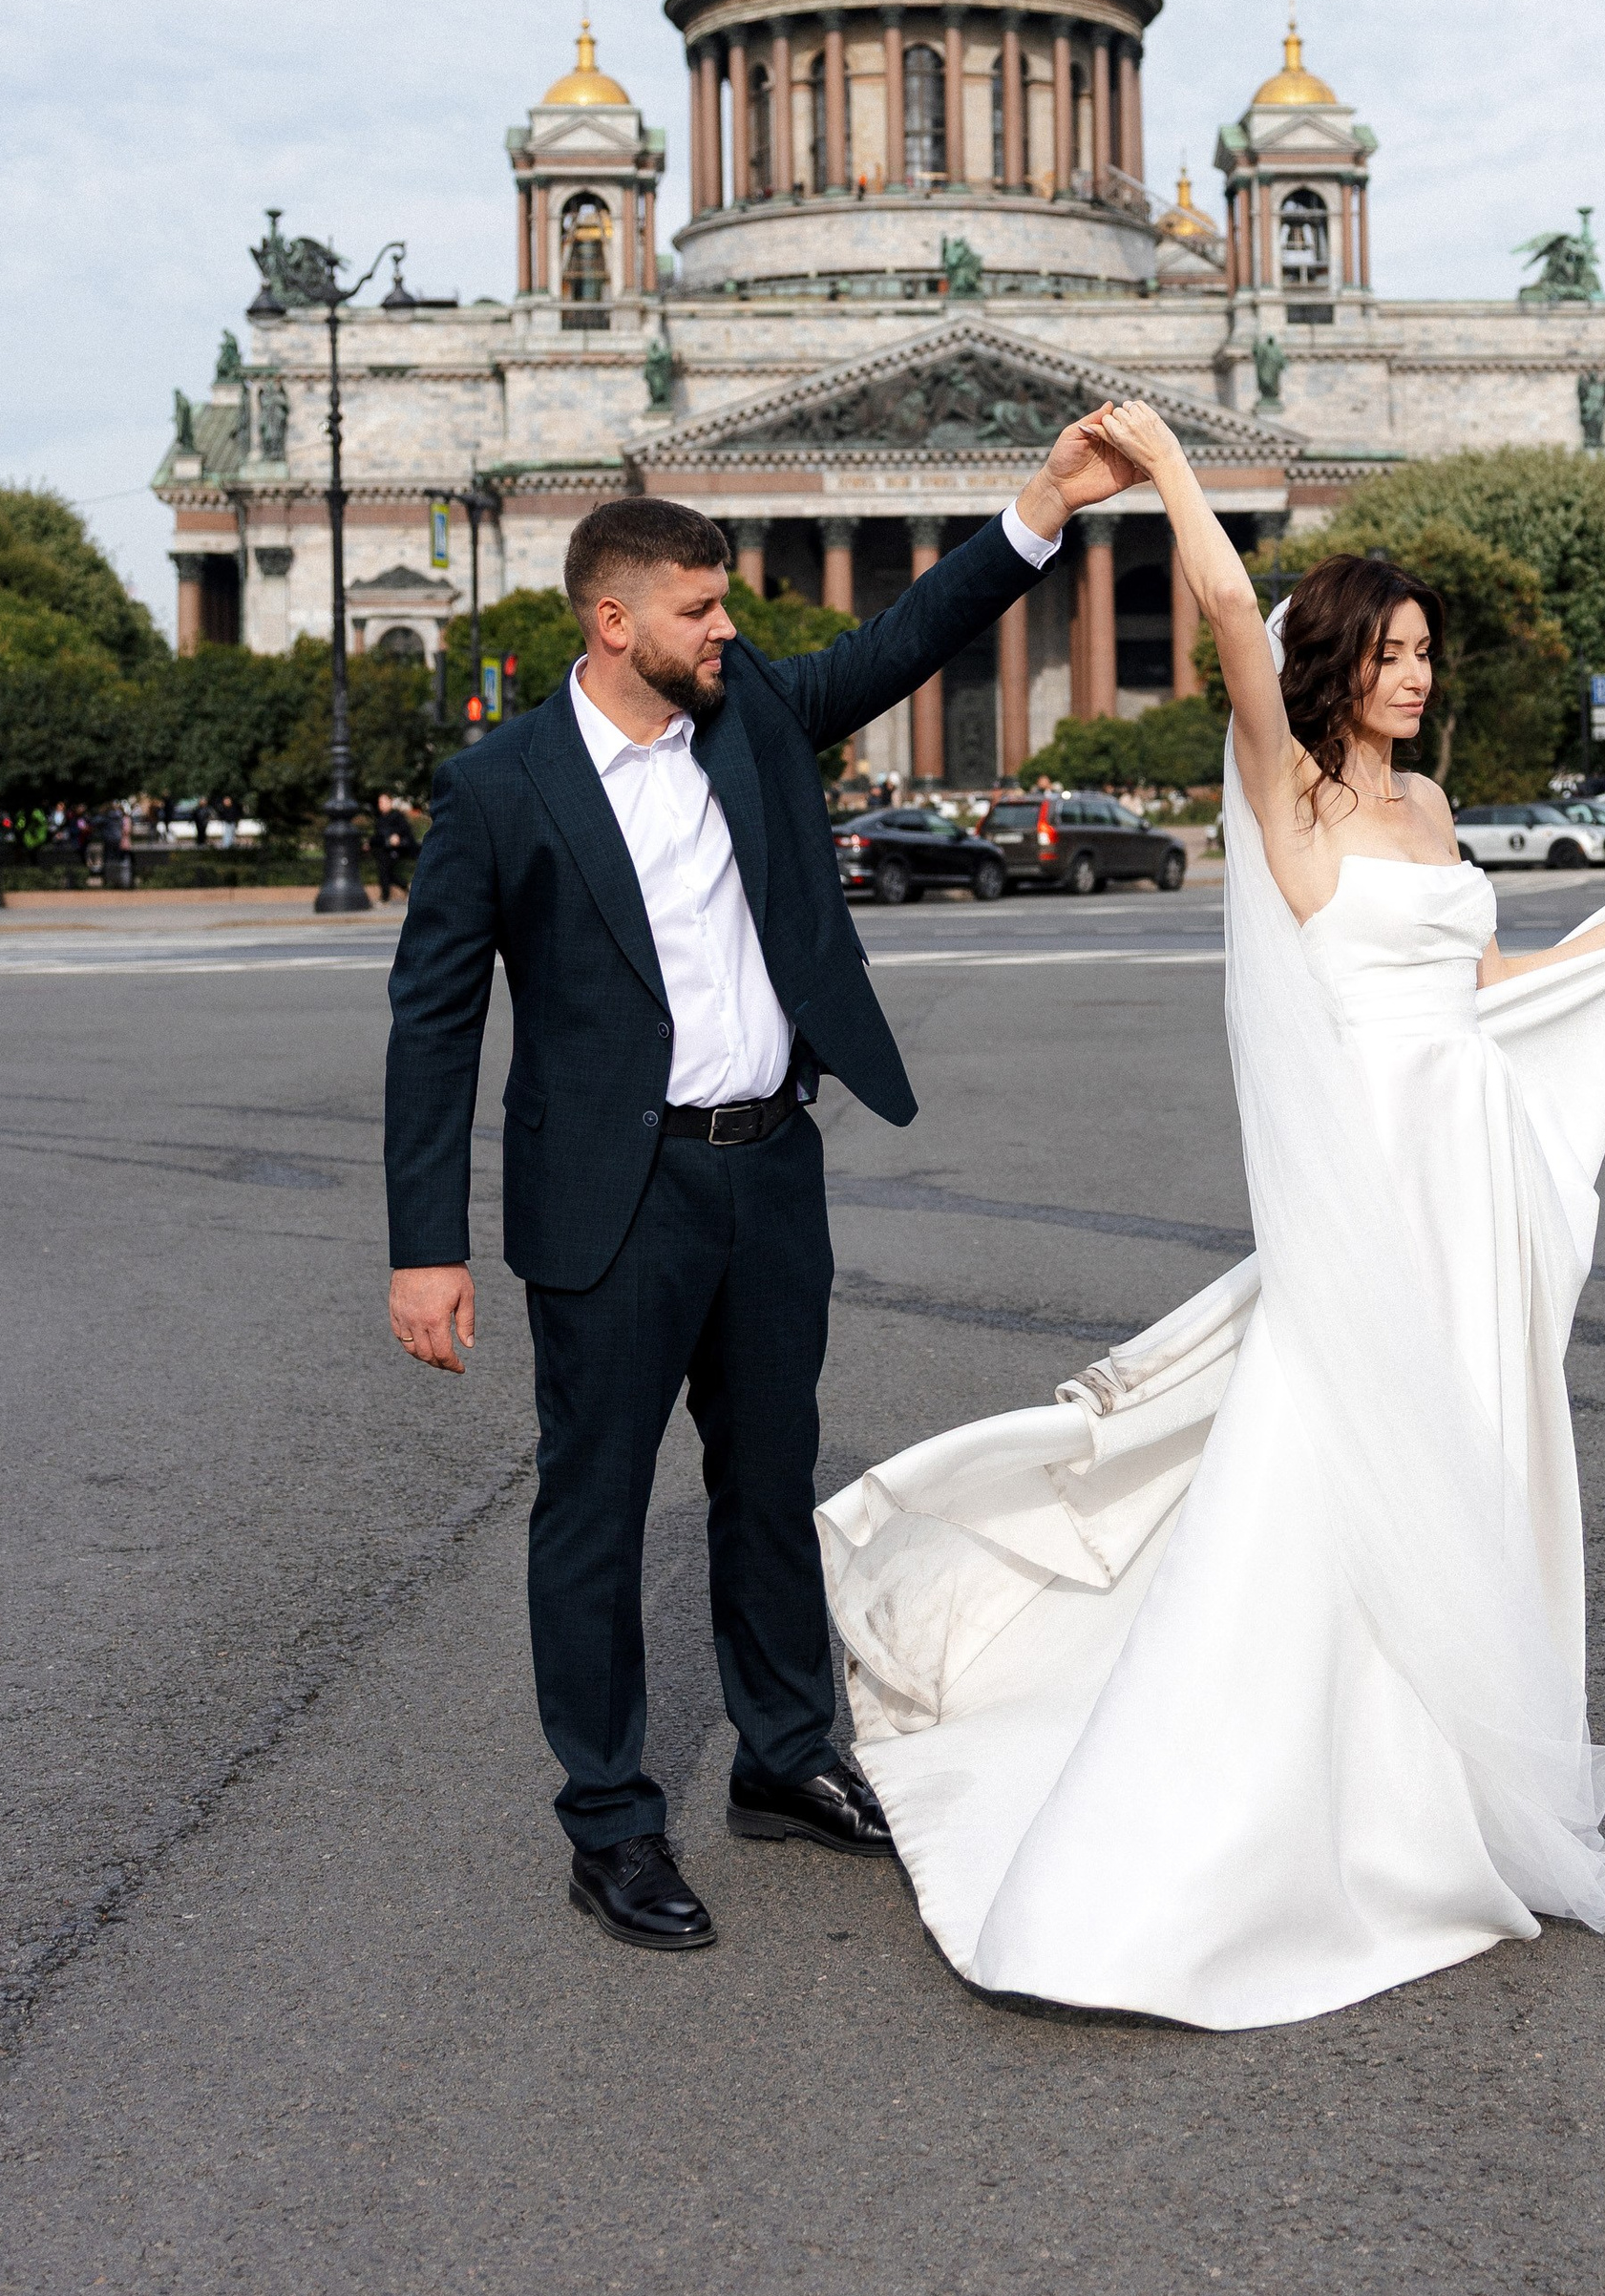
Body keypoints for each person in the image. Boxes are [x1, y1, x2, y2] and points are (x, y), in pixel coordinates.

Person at [819, 397, 1605, 2031]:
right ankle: (1240, 1834)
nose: (1419, 675)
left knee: (1470, 1463)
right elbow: (1221, 607)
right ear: (1334, 662)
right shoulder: (1288, 800)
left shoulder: (1423, 815)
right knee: (1323, 1478)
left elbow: (1456, 975)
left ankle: (1441, 1787)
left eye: (1430, 651)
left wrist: (1596, 948)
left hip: (1464, 1176)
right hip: (1369, 1186)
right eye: (1395, 651)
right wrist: (1172, 477)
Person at [383, 424, 1130, 1956]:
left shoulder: (755, 720)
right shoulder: (500, 787)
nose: (731, 630)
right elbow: (434, 1023)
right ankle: (611, 1820)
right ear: (613, 621)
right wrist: (423, 1249)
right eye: (700, 611)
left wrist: (1040, 508)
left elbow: (906, 635)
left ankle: (783, 1757)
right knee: (591, 1509)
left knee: (766, 1479)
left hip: (768, 1168)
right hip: (617, 1192)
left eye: (727, 610)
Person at [371, 790, 413, 903]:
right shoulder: (380, 818)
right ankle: (405, 887)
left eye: (383, 801)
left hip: (397, 849)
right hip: (385, 849)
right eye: (380, 802)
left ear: (390, 802)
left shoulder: (397, 816)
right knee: (385, 872)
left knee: (385, 871)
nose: (381, 804)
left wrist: (397, 836)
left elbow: (405, 831)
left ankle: (386, 897)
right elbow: (378, 835)